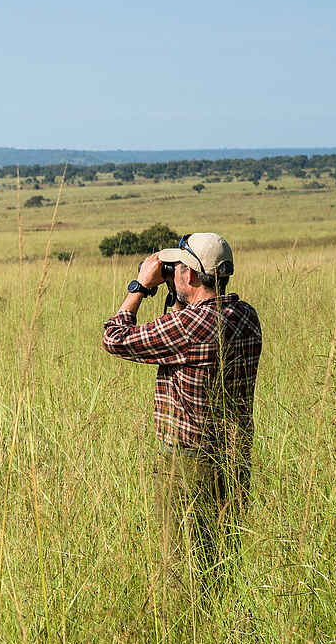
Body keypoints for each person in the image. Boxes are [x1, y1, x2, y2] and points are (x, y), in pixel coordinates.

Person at [102, 232, 263, 590]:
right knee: (222, 561)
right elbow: (184, 339)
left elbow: (114, 337)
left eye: (177, 268)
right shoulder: (246, 315)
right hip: (234, 455)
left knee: (184, 568)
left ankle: (189, 635)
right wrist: (177, 300)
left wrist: (140, 287)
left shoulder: (188, 327)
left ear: (189, 276)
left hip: (190, 464)